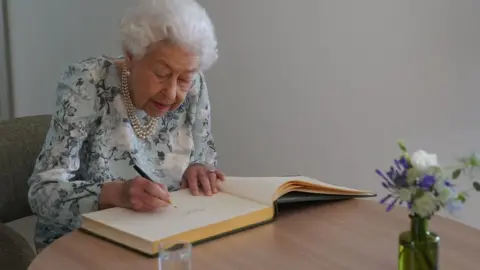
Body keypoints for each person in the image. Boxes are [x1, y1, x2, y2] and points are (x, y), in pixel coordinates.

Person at [27, 0, 225, 252]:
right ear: (131, 57)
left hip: (164, 239)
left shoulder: (195, 84)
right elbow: (42, 192)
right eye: (162, 74)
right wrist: (116, 195)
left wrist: (200, 169)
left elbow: (204, 158)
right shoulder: (87, 84)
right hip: (83, 243)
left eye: (184, 78)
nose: (172, 92)